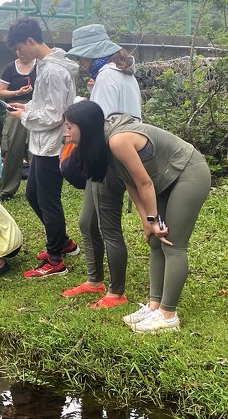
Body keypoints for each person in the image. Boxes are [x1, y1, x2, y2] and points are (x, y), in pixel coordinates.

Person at [64, 101, 211, 333]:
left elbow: (145, 183)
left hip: (187, 173)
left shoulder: (117, 140)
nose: (66, 131)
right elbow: (130, 183)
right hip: (164, 179)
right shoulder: (102, 146)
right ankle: (154, 306)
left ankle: (168, 314)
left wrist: (153, 220)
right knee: (155, 241)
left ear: (84, 126)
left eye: (69, 126)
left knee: (172, 243)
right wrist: (146, 221)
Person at [61, 24, 142, 309]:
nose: (81, 64)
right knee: (87, 222)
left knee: (108, 227)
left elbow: (101, 123)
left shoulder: (107, 76)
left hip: (108, 157)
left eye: (82, 57)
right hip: (117, 151)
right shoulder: (120, 72)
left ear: (94, 53)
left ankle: (117, 293)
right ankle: (95, 281)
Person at [4, 18, 80, 279]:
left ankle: (56, 259)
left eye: (18, 48)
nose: (18, 54)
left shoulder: (53, 71)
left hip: (52, 145)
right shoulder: (46, 66)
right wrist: (27, 108)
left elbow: (55, 115)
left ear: (30, 41)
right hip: (40, 144)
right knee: (34, 195)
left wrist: (23, 117)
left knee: (49, 202)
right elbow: (45, 104)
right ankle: (63, 242)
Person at [0, 53, 36, 202]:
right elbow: (1, 92)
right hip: (14, 108)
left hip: (35, 107)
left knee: (36, 148)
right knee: (13, 147)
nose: (22, 53)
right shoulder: (10, 68)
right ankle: (7, 190)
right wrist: (17, 92)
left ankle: (38, 187)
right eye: (18, 50)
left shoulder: (41, 66)